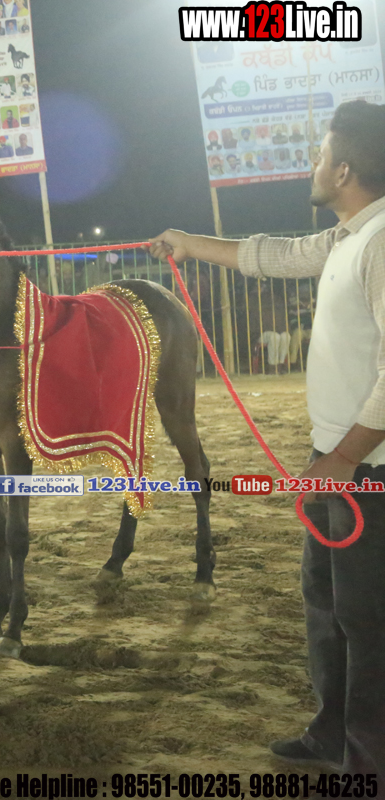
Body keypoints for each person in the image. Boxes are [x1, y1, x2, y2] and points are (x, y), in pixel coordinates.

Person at [148, 100, 385, 777]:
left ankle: (368, 765)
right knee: (326, 605)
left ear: (344, 171)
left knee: (367, 622)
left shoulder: (381, 242)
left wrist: (344, 457)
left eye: (321, 155)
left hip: (365, 468)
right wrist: (188, 243)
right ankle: (331, 734)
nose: (314, 165)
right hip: (334, 460)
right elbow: (272, 256)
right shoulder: (347, 237)